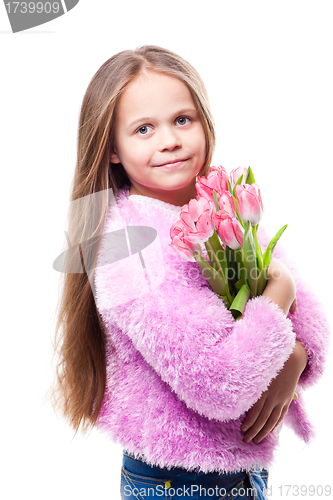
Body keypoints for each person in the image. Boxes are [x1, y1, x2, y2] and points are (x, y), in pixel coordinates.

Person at [52, 46, 329, 500]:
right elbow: (219, 382)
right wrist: (280, 288)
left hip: (234, 475)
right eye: (143, 129)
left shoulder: (215, 205)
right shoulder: (130, 251)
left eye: (182, 119)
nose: (170, 140)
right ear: (113, 150)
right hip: (181, 482)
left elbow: (311, 322)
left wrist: (296, 354)